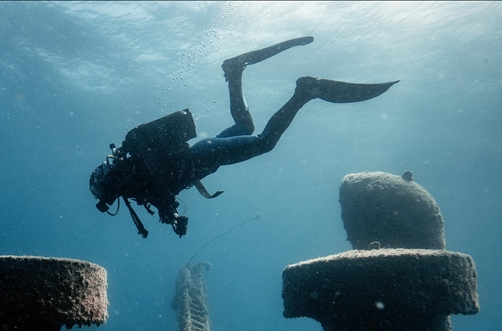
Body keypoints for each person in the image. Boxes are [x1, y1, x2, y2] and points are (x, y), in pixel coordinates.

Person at [89, 37, 398, 238]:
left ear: (109, 187)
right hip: (204, 154)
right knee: (246, 126)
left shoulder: (134, 180)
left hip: (204, 156)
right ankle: (235, 71)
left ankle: (305, 92)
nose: (107, 201)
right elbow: (161, 184)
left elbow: (161, 184)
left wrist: (169, 211)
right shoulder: (133, 177)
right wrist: (169, 215)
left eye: (104, 197)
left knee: (264, 142)